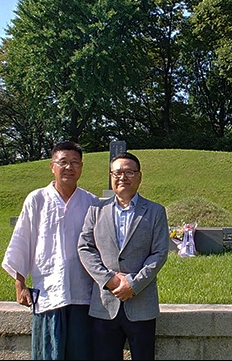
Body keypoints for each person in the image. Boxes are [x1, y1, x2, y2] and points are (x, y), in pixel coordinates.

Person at [1, 140, 100, 360]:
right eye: (63, 162)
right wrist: (20, 284)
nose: (69, 167)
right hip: (47, 292)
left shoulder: (92, 202)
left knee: (81, 353)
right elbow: (21, 242)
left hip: (82, 293)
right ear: (52, 166)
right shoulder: (37, 199)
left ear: (81, 167)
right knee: (48, 353)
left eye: (75, 162)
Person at [77, 151, 169, 360]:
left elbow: (159, 253)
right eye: (117, 173)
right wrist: (108, 279)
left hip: (141, 303)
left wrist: (134, 284)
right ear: (111, 176)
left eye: (129, 172)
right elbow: (85, 247)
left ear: (139, 176)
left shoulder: (155, 211)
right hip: (104, 305)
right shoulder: (96, 210)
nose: (122, 177)